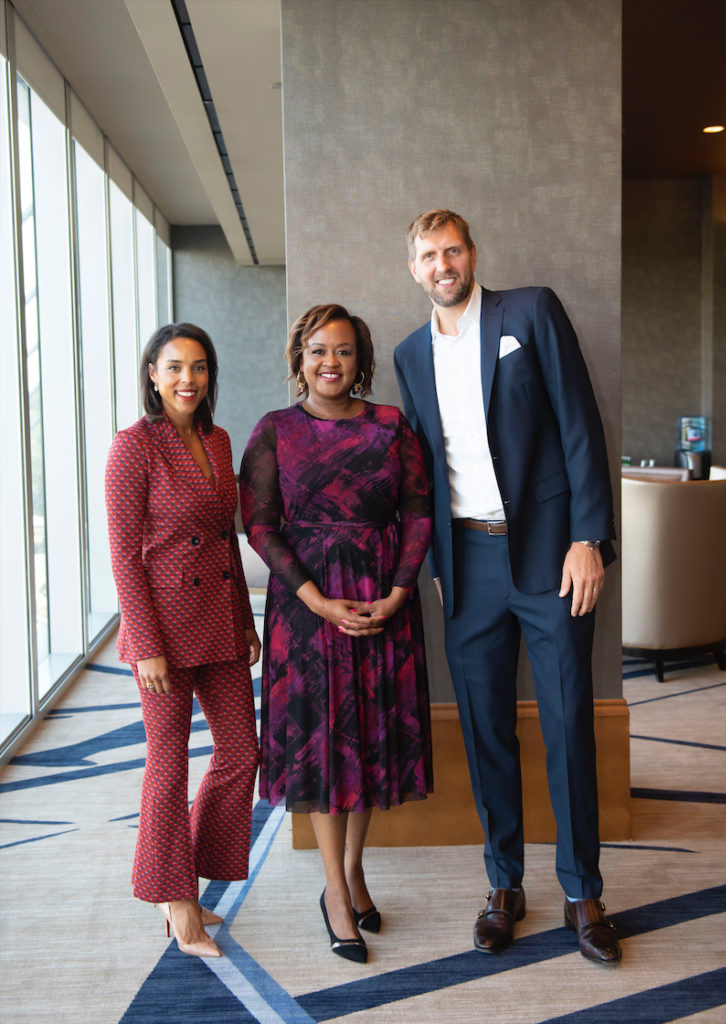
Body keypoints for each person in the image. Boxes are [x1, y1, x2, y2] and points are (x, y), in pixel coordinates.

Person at [394, 210, 621, 965]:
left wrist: (589, 539)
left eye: (452, 250)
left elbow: (580, 422)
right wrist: (436, 567)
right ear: (414, 269)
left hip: (553, 553)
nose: (442, 264)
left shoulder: (529, 312)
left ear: (472, 254)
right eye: (428, 255)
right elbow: (424, 470)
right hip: (466, 562)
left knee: (567, 724)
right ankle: (504, 885)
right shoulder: (408, 354)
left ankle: (582, 892)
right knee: (485, 728)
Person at [239, 303, 433, 964]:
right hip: (306, 608)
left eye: (344, 351)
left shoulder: (390, 426)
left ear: (360, 361)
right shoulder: (274, 430)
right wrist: (316, 600)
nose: (331, 362)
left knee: (367, 740)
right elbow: (260, 525)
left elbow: (418, 511)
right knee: (324, 746)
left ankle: (352, 871)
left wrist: (399, 591)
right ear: (300, 358)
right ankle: (334, 892)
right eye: (318, 350)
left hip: (381, 601)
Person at [105, 323, 261, 959]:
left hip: (220, 619)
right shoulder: (132, 446)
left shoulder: (218, 440)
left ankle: (187, 875)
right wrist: (144, 643)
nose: (187, 379)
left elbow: (226, 540)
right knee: (168, 765)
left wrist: (246, 621)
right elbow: (123, 556)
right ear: (153, 374)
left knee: (242, 753)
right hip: (163, 630)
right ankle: (177, 901)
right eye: (173, 367)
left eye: (198, 367)